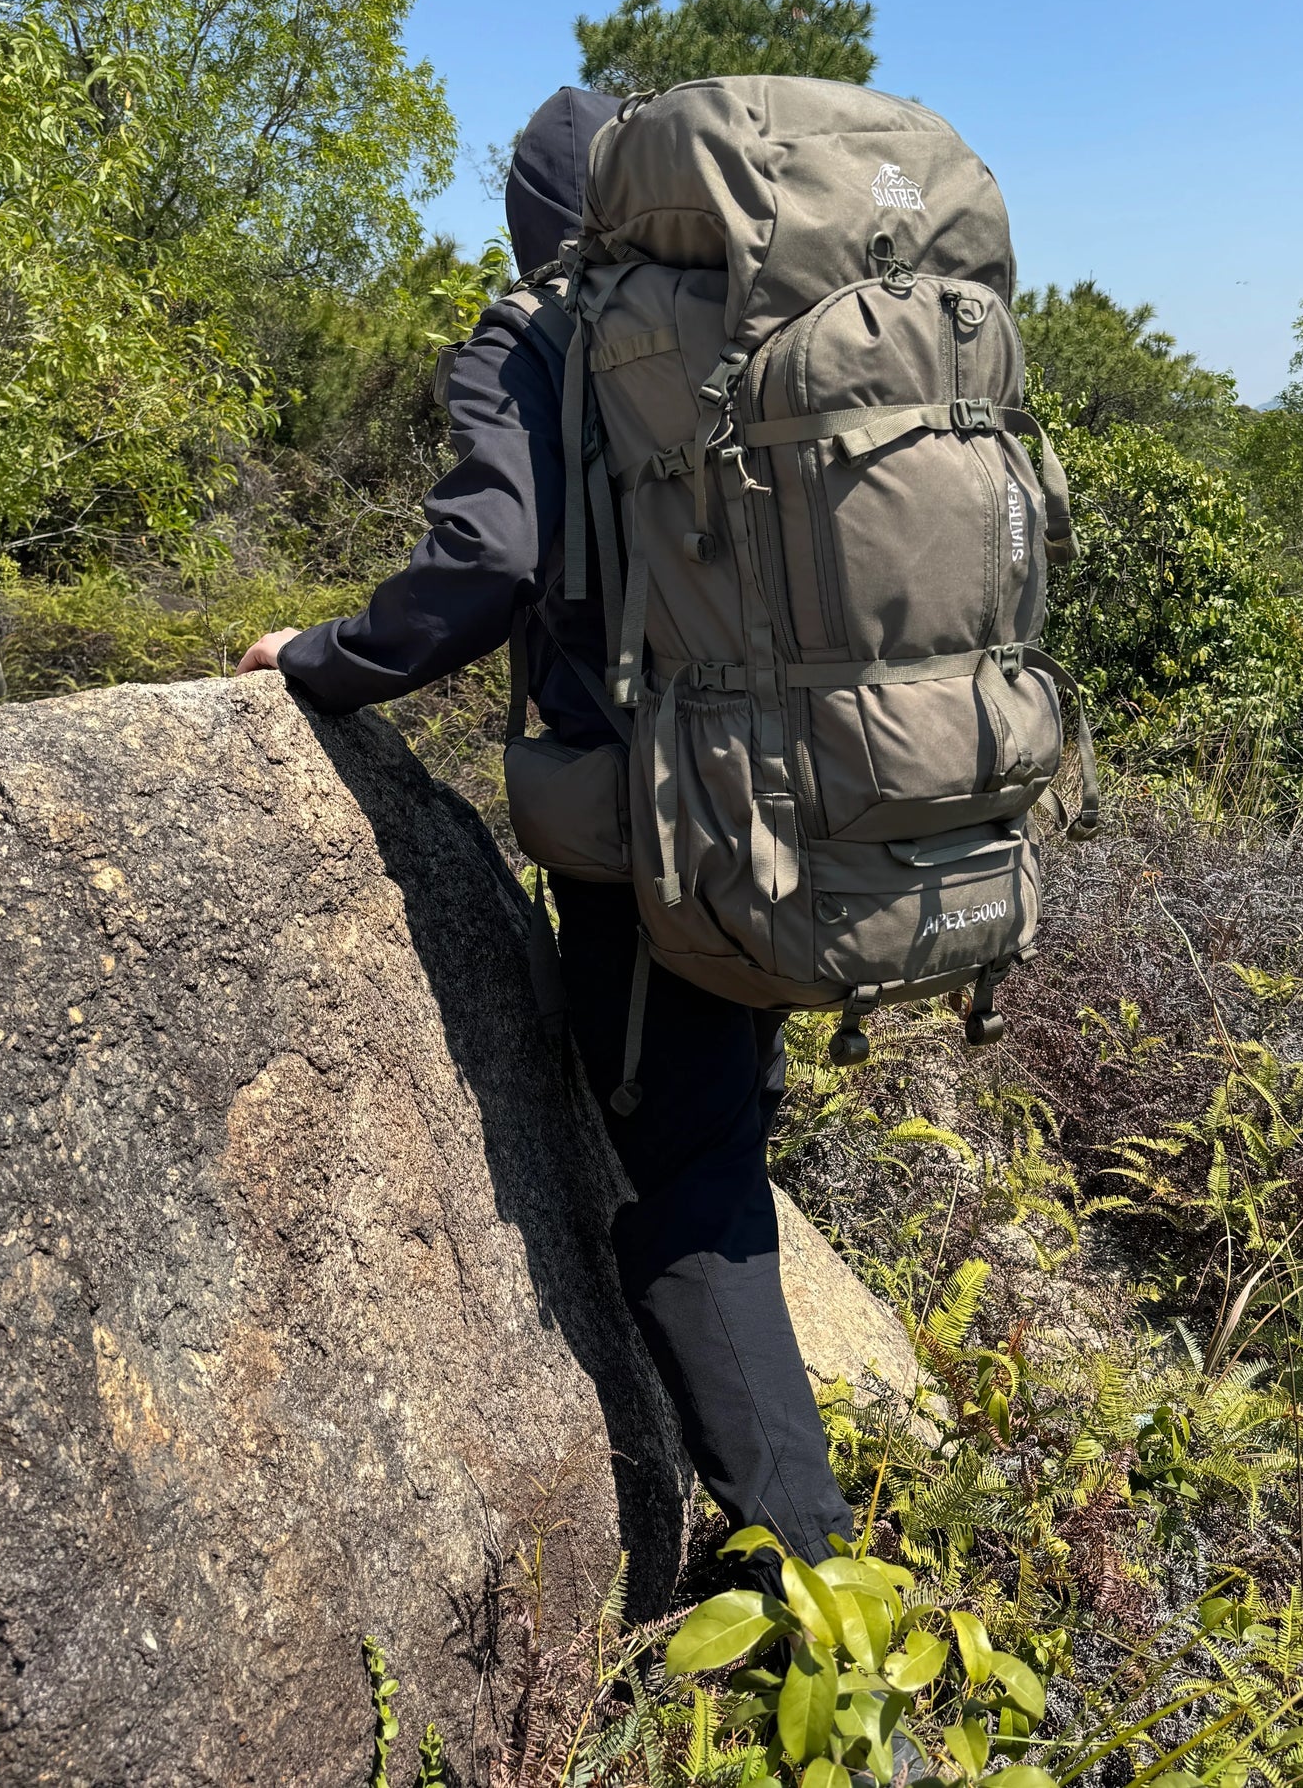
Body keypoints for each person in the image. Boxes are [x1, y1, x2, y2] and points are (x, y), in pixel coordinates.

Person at [237, 87, 852, 1569]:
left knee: (690, 1180)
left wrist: (317, 656)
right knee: (719, 1126)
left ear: (536, 214)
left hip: (656, 841)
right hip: (807, 798)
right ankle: (809, 1534)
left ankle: (824, 1584)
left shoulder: (544, 332)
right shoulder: (760, 326)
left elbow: (490, 556)